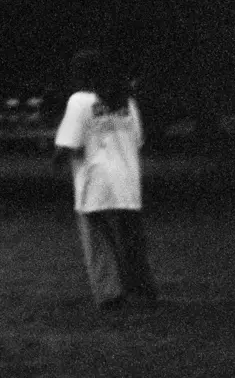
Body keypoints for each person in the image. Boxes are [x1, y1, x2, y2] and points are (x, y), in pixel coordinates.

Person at [53, 49, 157, 309]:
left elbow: (69, 143)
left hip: (95, 183)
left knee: (98, 244)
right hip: (127, 183)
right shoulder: (126, 101)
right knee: (131, 241)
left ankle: (110, 295)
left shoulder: (79, 101)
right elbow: (137, 140)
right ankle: (143, 292)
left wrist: (56, 158)